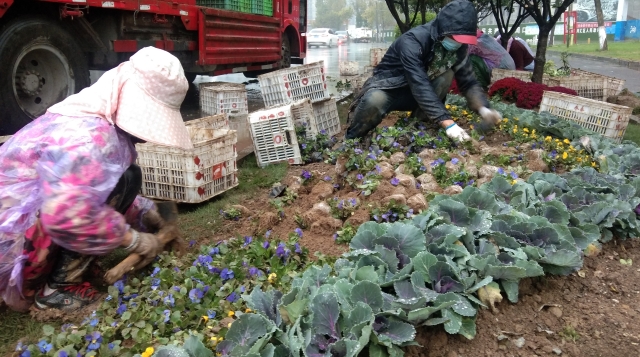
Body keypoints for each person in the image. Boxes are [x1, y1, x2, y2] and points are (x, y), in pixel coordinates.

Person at [0, 47, 192, 312]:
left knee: (127, 177)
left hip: (39, 215)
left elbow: (90, 186)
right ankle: (58, 288)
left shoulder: (92, 118)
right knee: (124, 179)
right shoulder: (88, 137)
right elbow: (70, 212)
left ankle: (64, 267)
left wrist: (145, 213)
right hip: (13, 243)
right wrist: (135, 240)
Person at [345, 0, 502, 143]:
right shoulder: (413, 41)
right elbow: (419, 83)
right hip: (390, 89)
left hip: (417, 96)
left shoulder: (459, 48)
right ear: (444, 28)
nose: (459, 43)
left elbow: (468, 81)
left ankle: (416, 130)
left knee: (446, 75)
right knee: (374, 99)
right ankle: (352, 140)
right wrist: (448, 123)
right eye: (456, 38)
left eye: (463, 40)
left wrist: (483, 108)